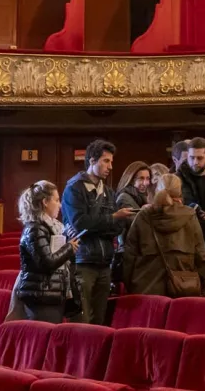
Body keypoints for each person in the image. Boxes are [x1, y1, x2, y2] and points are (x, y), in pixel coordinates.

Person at [61, 139, 136, 325]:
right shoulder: (74, 188)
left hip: (104, 262)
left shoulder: (108, 192)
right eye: (106, 161)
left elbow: (118, 227)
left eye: (111, 161)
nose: (110, 166)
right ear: (92, 161)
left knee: (99, 320)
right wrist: (112, 218)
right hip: (83, 261)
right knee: (82, 319)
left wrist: (107, 223)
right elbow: (81, 224)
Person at [121, 174, 205, 297]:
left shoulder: (143, 216)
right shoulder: (190, 216)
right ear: (180, 193)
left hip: (145, 290)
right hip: (182, 290)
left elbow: (129, 256)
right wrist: (202, 285)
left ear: (157, 190)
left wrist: (131, 285)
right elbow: (202, 256)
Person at [9, 180, 80, 323]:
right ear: (45, 202)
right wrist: (68, 247)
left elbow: (62, 260)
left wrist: (69, 242)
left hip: (52, 292)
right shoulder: (35, 229)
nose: (60, 205)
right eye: (56, 200)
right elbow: (48, 263)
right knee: (43, 333)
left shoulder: (54, 228)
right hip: (41, 295)